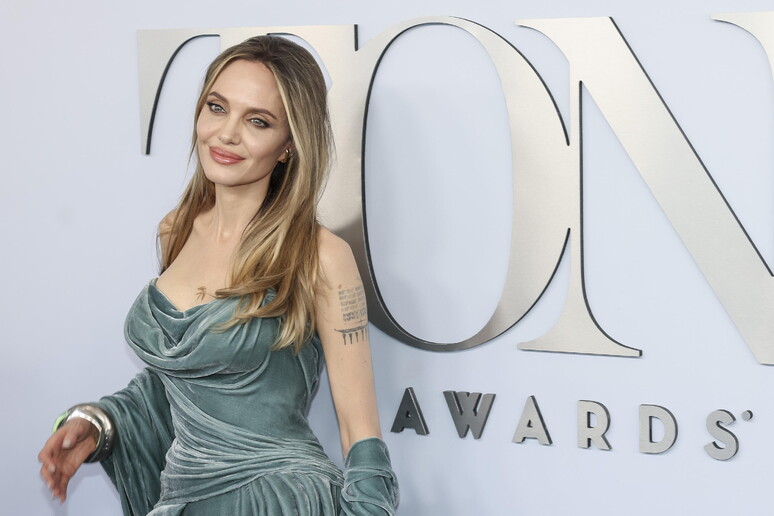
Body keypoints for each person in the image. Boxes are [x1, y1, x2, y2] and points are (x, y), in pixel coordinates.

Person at [38, 35, 398, 515]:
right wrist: (101, 423)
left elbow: (360, 431)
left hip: (278, 500)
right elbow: (183, 385)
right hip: (184, 498)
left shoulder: (320, 256)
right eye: (216, 107)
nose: (226, 134)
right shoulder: (176, 230)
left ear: (289, 145)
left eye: (257, 121)